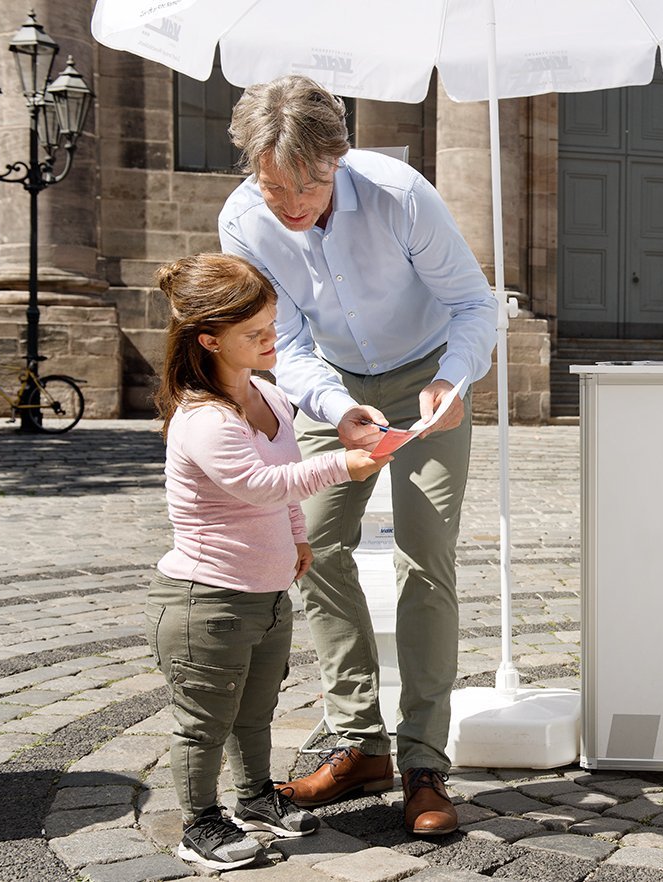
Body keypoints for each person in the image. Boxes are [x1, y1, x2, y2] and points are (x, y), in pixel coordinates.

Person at [219, 76, 497, 836]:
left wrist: (450, 378)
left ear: (337, 159)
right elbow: (289, 343)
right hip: (330, 383)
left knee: (424, 552)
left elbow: (474, 305)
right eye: (273, 184)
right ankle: (358, 740)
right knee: (311, 545)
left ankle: (423, 760)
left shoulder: (400, 194)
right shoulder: (244, 221)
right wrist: (339, 411)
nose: (289, 202)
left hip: (429, 372)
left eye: (305, 183)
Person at [150, 253, 390, 870]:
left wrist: (296, 538)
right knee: (205, 721)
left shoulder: (269, 397)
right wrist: (344, 464)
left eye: (272, 325)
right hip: (208, 597)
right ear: (209, 341)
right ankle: (200, 823)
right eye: (254, 334)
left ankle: (256, 798)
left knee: (256, 710)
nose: (271, 339)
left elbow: (279, 489)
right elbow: (257, 482)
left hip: (266, 590)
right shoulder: (203, 417)